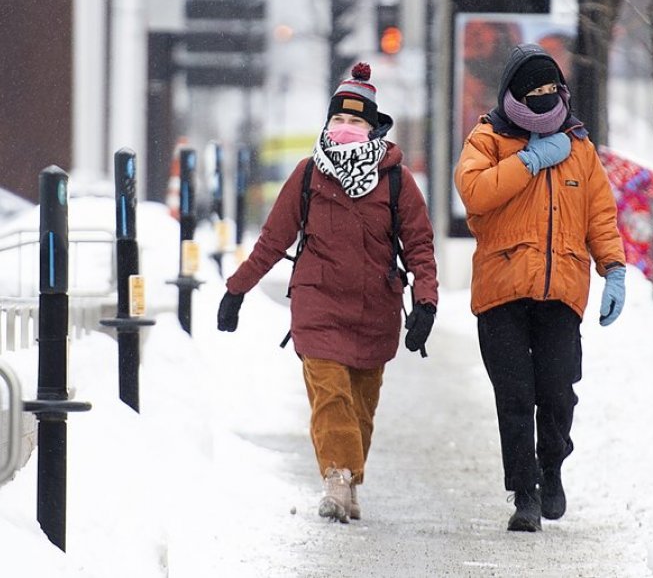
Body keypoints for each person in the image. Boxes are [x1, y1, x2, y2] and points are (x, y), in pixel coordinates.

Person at [217, 62, 439, 524]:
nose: (345, 128)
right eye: (338, 119)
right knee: (330, 396)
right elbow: (272, 241)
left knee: (360, 407)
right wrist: (236, 290)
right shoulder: (307, 175)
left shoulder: (396, 179)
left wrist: (426, 301)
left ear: (373, 126)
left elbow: (419, 245)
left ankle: (349, 480)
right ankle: (337, 479)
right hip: (318, 305)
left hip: (375, 308)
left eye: (355, 121)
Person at [453, 43, 626, 533]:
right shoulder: (487, 138)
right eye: (536, 93)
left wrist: (613, 268)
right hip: (502, 291)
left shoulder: (581, 148)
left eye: (553, 91)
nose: (547, 100)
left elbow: (600, 216)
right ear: (514, 95)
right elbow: (476, 194)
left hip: (561, 291)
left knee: (557, 392)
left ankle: (552, 469)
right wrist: (527, 161)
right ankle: (524, 493)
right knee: (514, 395)